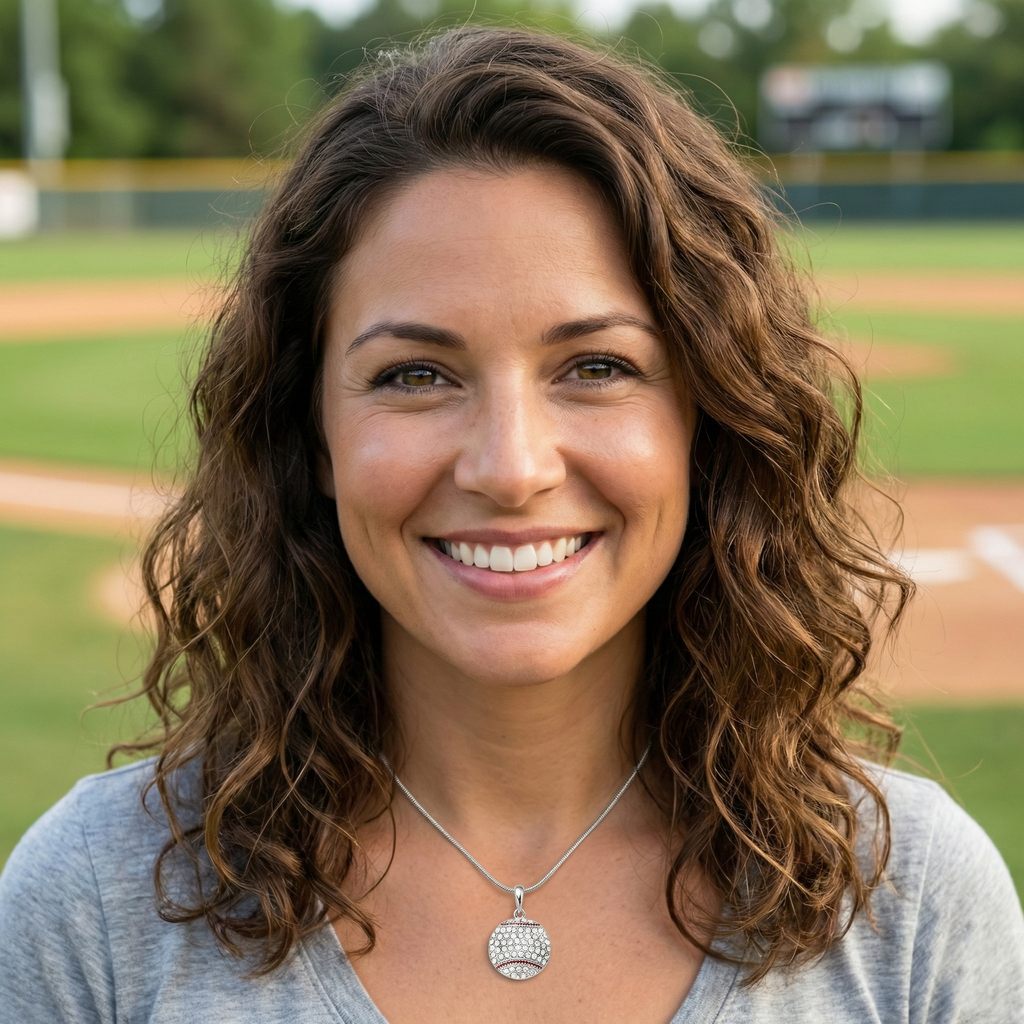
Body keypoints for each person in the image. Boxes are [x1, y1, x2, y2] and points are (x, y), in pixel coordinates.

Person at [0, 26, 1021, 1024]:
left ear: (708, 416)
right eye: (414, 375)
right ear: (308, 432)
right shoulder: (98, 894)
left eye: (596, 367)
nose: (510, 467)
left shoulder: (910, 899)